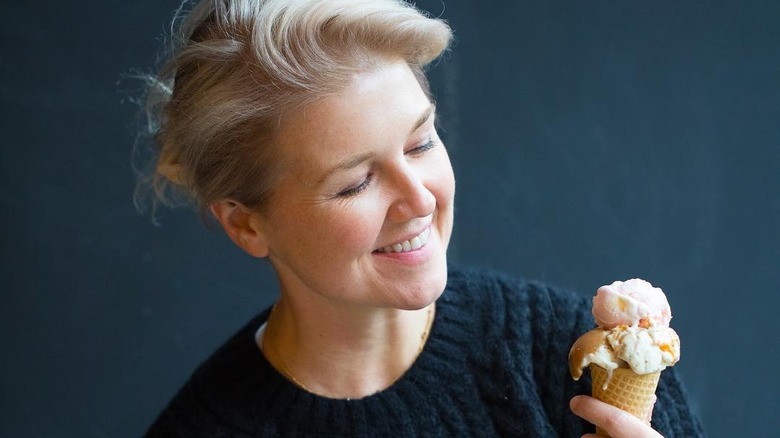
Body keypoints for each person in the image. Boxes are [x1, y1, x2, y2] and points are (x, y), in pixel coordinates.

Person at [139, 0, 704, 436]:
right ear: (246, 225)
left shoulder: (570, 356)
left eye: (420, 144)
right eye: (355, 182)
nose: (420, 200)